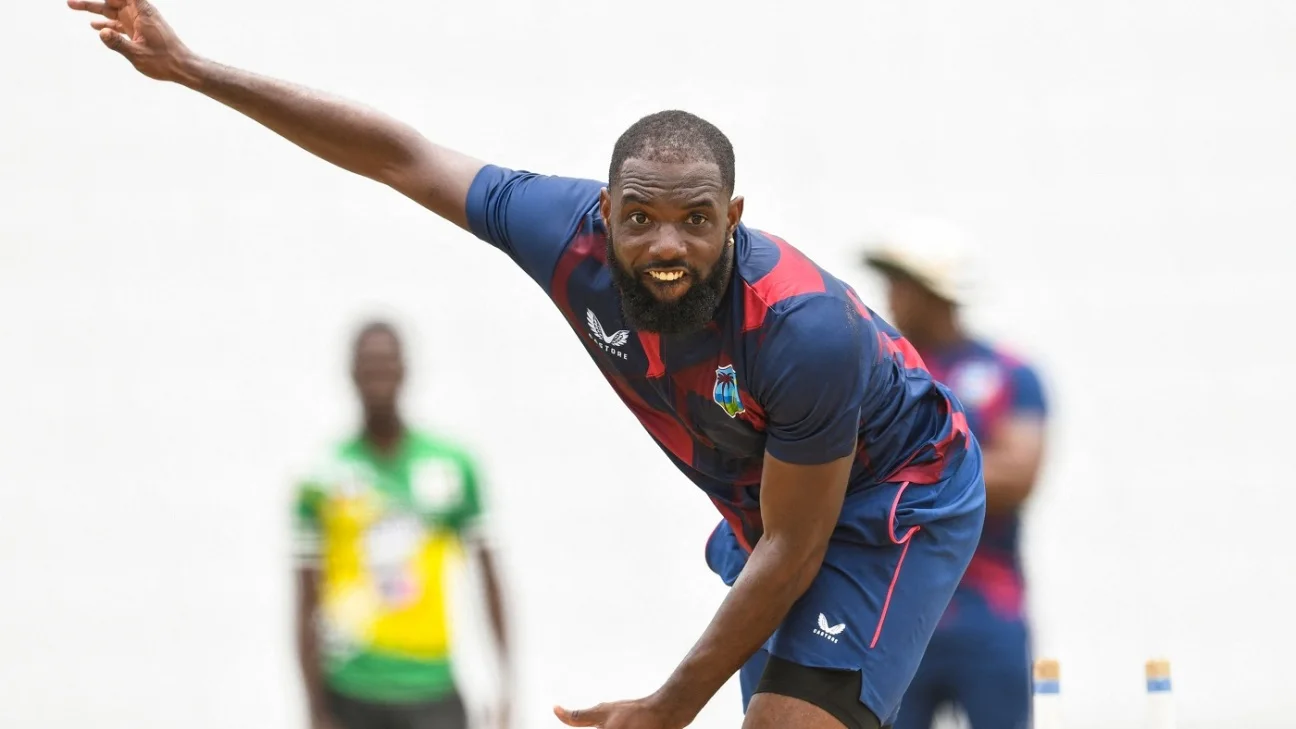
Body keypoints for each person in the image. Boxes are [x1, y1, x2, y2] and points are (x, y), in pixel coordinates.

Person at [67, 2, 987, 726]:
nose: (667, 247)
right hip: (772, 507)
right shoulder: (559, 233)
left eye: (696, 222)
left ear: (734, 219)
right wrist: (192, 69)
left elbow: (797, 548)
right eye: (640, 219)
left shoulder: (801, 328)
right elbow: (398, 156)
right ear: (605, 212)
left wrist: (667, 705)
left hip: (894, 494)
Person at [860, 220, 1049, 729]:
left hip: (989, 608)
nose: (891, 296)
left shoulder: (1009, 372)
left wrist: (904, 475)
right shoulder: (880, 372)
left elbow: (1017, 478)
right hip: (893, 612)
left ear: (935, 292)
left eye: (902, 283)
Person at [293, 321, 512, 729]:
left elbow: (489, 578)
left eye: (386, 363)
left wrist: (505, 687)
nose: (378, 375)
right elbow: (306, 597)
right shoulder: (323, 476)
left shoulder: (451, 466)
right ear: (352, 372)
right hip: (351, 688)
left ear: (405, 369)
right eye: (368, 365)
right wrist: (313, 707)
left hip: (432, 689)